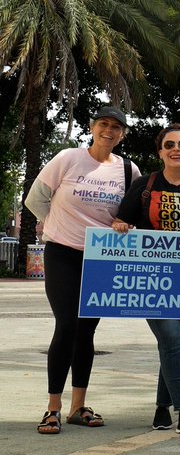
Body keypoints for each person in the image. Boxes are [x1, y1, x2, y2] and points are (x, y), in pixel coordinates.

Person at [26, 106, 140, 435]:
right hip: (62, 252)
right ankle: (53, 408)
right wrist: (53, 224)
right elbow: (36, 198)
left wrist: (123, 222)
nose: (109, 131)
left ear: (123, 134)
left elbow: (130, 213)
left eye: (116, 127)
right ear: (92, 128)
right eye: (103, 124)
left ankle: (78, 406)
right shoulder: (68, 158)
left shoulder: (129, 170)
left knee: (86, 331)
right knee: (66, 325)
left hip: (100, 258)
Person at [113, 123, 180, 435]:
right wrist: (122, 227)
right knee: (173, 340)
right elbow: (123, 220)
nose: (177, 149)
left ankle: (161, 407)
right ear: (160, 151)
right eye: (170, 144)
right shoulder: (144, 185)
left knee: (176, 344)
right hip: (151, 280)